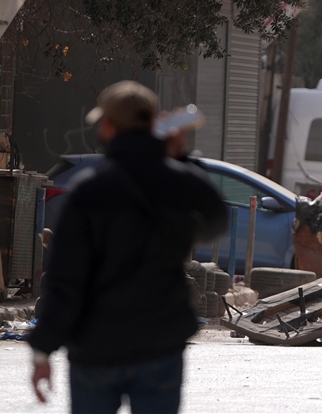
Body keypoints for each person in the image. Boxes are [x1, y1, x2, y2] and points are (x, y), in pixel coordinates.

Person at [26, 81, 227, 413]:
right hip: (160, 345)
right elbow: (215, 217)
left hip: (95, 349)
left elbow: (65, 280)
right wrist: (183, 158)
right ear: (155, 126)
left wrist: (42, 350)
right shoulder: (178, 181)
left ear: (107, 126)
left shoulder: (87, 191)